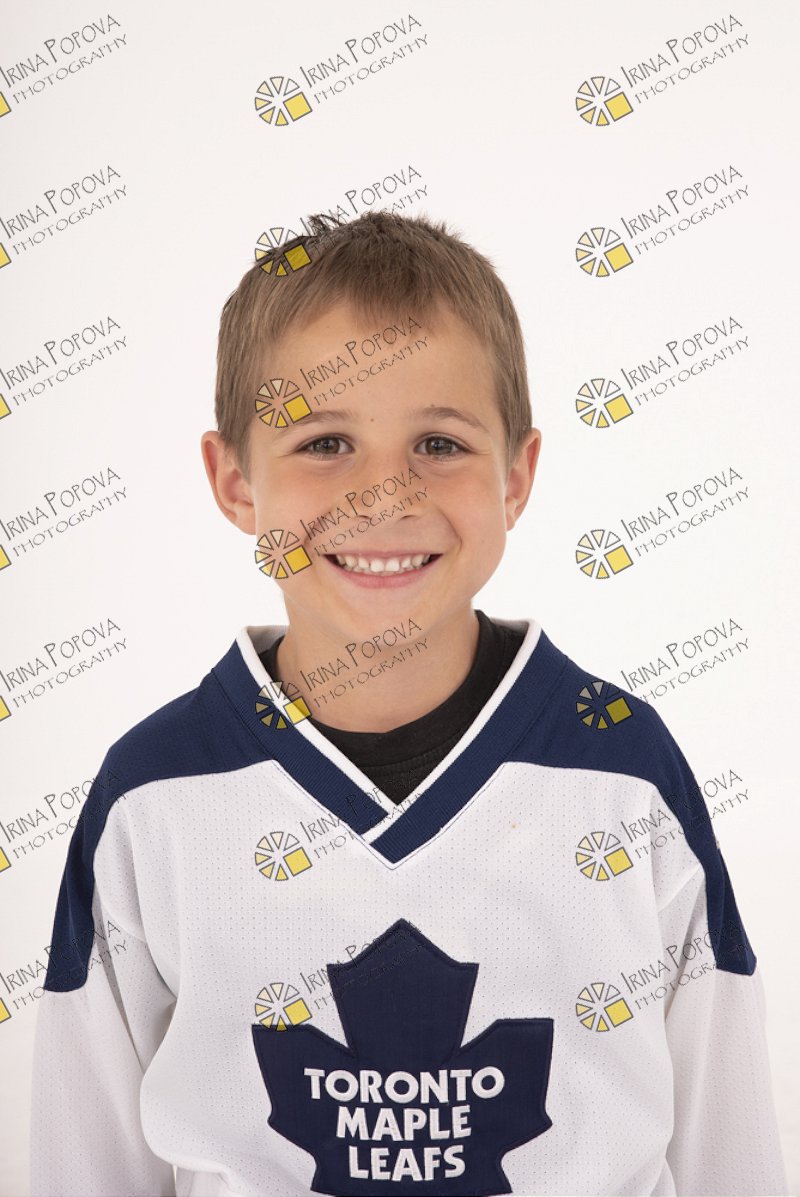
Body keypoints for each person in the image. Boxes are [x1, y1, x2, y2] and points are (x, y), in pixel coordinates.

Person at [29, 211, 789, 1197]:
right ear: (234, 482)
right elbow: (84, 1151)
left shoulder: (619, 771)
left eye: (438, 442)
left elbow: (728, 1131)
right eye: (325, 442)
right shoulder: (155, 795)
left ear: (516, 476)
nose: (383, 496)